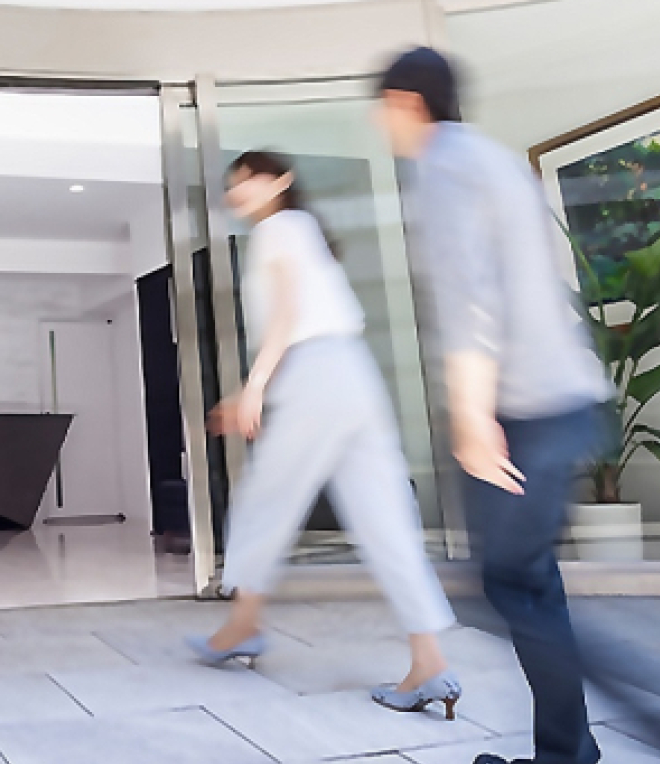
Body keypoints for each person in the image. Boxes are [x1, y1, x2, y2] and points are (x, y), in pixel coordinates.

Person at [374, 47, 616, 764]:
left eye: (383, 108)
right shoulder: (497, 161)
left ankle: (610, 743)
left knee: (513, 586)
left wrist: (473, 416)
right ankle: (568, 750)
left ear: (407, 102)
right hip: (565, 399)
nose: (381, 124)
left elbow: (471, 301)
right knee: (529, 582)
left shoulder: (444, 167)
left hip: (523, 414)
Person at [188, 149, 463, 720]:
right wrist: (255, 388)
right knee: (386, 520)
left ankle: (241, 626)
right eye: (234, 184)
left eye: (250, 180)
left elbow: (288, 315)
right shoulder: (304, 228)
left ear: (281, 183)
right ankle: (430, 662)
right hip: (352, 374)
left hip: (315, 375)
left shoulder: (278, 228)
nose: (239, 191)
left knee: (265, 504)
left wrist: (255, 386)